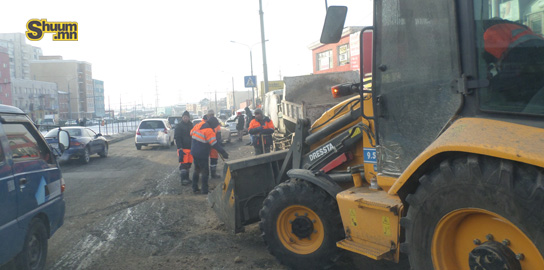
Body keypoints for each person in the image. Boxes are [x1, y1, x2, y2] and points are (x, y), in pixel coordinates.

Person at [190, 116, 229, 194]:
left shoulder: (199, 124)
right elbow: (214, 143)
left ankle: (194, 188)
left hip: (194, 151)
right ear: (213, 124)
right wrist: (223, 152)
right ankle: (204, 190)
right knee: (205, 172)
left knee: (197, 170)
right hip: (202, 154)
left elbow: (191, 133)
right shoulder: (209, 130)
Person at [174, 111, 193, 186]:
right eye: (184, 117)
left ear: (189, 117)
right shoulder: (179, 126)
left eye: (187, 117)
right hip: (183, 148)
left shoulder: (191, 125)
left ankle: (187, 178)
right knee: (183, 165)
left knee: (188, 164)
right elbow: (177, 138)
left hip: (190, 148)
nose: (185, 118)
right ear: (182, 117)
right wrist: (180, 148)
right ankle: (183, 180)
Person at [205, 110, 222, 179]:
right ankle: (205, 174)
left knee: (214, 159)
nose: (211, 116)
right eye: (210, 115)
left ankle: (213, 173)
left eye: (212, 115)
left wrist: (218, 144)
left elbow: (219, 135)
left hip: (214, 144)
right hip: (206, 145)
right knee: (205, 160)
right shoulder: (205, 123)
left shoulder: (216, 124)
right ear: (207, 116)